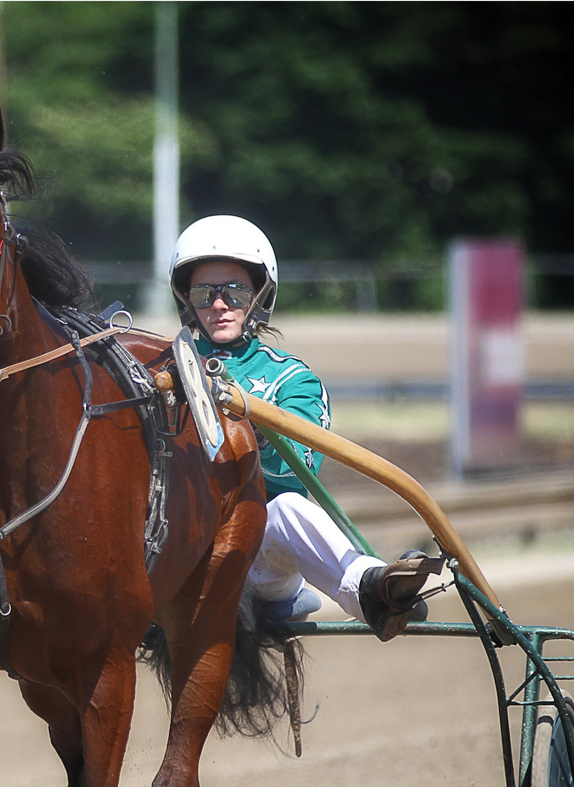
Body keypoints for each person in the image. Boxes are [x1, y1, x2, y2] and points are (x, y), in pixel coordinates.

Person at [168, 214, 436, 640]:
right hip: (170, 553)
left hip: (255, 554)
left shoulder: (294, 381)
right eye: (204, 292)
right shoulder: (153, 370)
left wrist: (239, 421)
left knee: (289, 509)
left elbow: (295, 473)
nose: (219, 304)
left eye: (234, 291)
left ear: (259, 296)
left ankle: (371, 590)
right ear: (187, 300)